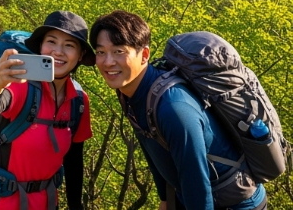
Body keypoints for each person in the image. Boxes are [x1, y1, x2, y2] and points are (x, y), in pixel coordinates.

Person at [89, 11, 267, 210]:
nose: (107, 62)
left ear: (144, 55)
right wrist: (165, 198)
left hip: (236, 203)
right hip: (191, 195)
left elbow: (196, 181)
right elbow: (150, 143)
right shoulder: (129, 92)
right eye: (101, 52)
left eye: (119, 51)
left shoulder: (173, 108)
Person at [0, 11, 94, 210]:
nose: (58, 51)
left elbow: (74, 159)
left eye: (69, 45)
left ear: (81, 55)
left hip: (45, 203)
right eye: (51, 42)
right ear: (40, 46)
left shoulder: (78, 101)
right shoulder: (20, 84)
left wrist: (75, 205)